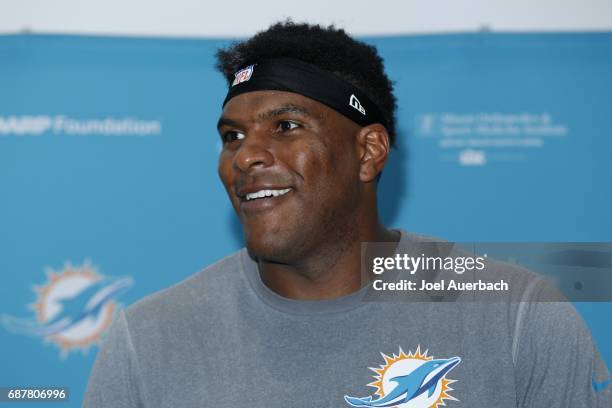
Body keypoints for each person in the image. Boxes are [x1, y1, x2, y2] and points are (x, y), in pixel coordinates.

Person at [84, 21, 611, 407]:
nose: (245, 156)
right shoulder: (150, 338)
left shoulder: (519, 315)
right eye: (232, 137)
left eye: (286, 127)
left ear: (369, 152)